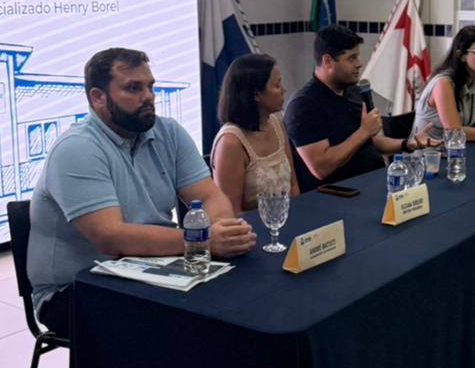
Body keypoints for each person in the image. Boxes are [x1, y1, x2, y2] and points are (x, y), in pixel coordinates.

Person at [27, 46, 255, 336]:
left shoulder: (168, 132)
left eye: (150, 86)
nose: (148, 96)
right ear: (98, 97)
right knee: (188, 325)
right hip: (75, 288)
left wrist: (222, 230)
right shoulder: (76, 148)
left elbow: (210, 196)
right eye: (133, 88)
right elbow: (112, 238)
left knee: (239, 297)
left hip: (151, 266)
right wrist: (204, 241)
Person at [284, 24, 435, 193]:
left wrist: (407, 144)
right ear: (327, 61)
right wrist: (363, 132)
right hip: (338, 194)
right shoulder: (304, 105)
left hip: (373, 182)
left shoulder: (354, 91)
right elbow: (321, 168)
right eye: (351, 58)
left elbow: (370, 141)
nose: (359, 64)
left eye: (358, 56)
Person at [210, 53, 300, 211]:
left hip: (285, 219)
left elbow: (293, 186)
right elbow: (231, 211)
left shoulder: (276, 123)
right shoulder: (230, 143)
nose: (283, 90)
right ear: (256, 94)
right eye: (277, 86)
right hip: (249, 225)